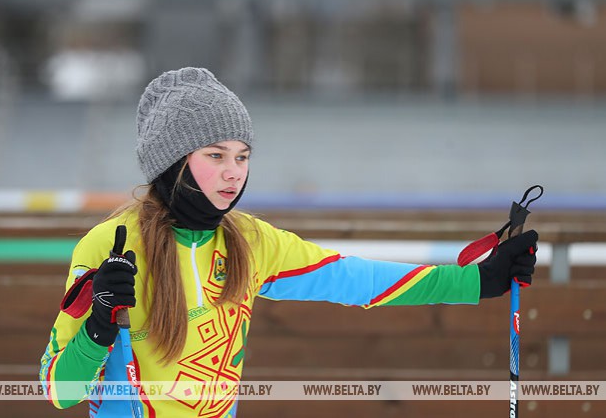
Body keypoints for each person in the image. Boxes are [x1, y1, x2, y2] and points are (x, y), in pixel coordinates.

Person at [39, 67, 538, 417]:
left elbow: (357, 279)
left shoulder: (251, 242)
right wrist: (99, 327)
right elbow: (58, 391)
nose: (234, 173)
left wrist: (477, 278)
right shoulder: (112, 245)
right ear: (173, 161)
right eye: (216, 155)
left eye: (242, 156)